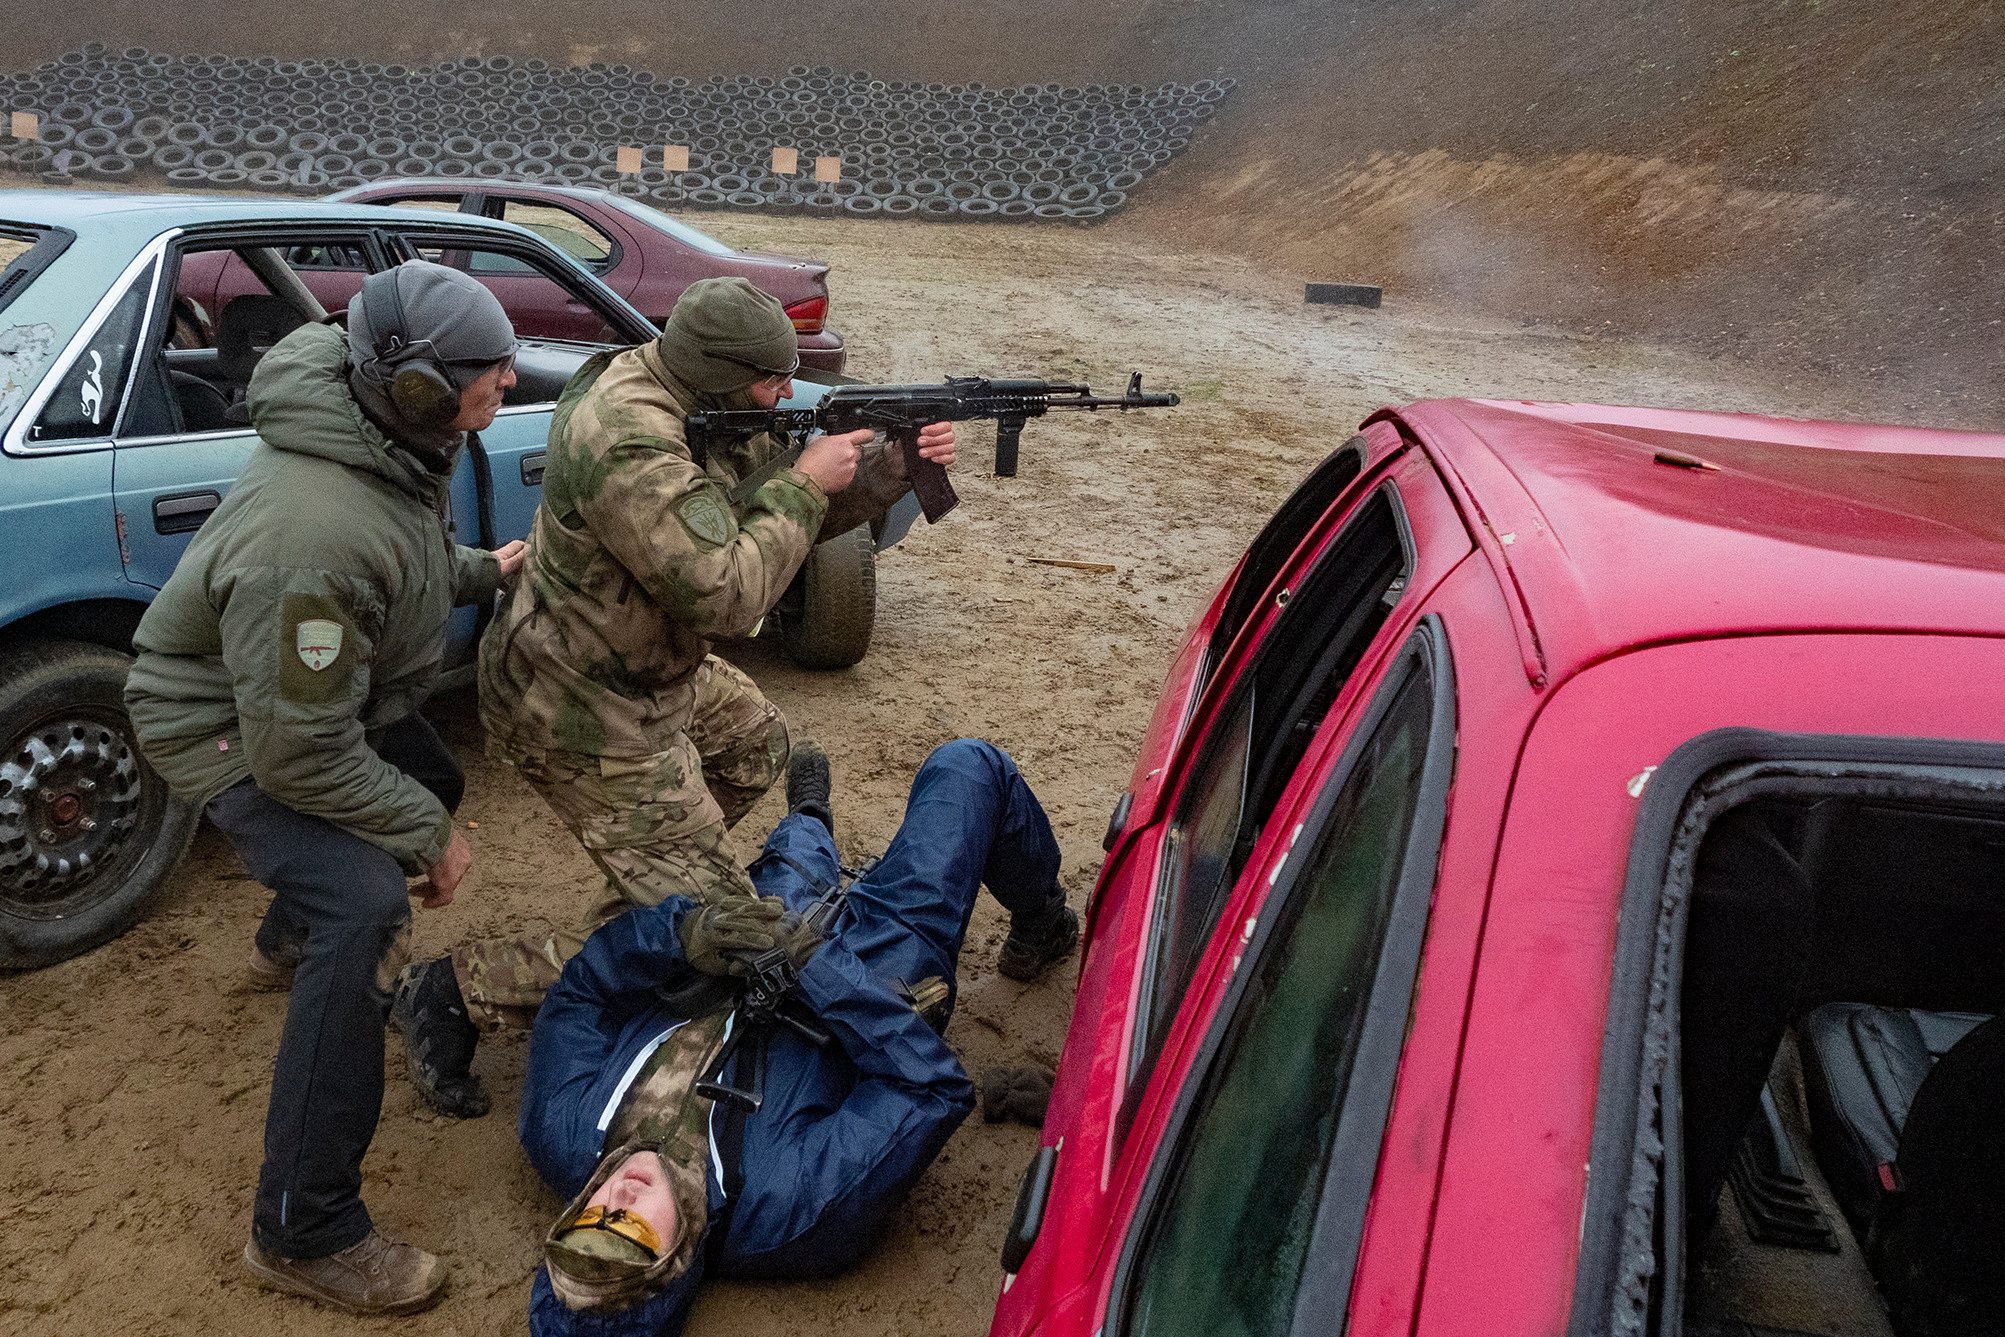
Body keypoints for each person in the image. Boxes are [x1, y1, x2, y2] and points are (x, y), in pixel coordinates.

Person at [393, 275, 1068, 1119]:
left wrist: (885, 471)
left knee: (755, 744)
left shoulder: (702, 400)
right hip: (578, 702)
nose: (784, 395)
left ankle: (651, 898)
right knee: (714, 939)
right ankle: (458, 987)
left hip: (650, 667)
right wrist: (806, 482)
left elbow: (755, 516)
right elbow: (728, 592)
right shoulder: (628, 437)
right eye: (771, 381)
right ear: (718, 372)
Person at [123, 259, 527, 1315]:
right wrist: (428, 834)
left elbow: (402, 544)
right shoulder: (316, 539)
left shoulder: (376, 425)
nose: (510, 382)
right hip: (222, 724)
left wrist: (481, 569)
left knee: (427, 768)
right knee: (366, 900)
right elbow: (298, 753)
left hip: (302, 703)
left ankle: (285, 938)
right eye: (490, 371)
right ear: (420, 389)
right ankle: (302, 1227)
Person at [517, 738, 1074, 1335]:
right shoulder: (795, 1208)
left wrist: (682, 936)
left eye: (586, 1227)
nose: (617, 1202)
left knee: (791, 859)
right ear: (678, 1263)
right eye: (630, 1235)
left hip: (752, 932)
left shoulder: (558, 1128)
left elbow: (580, 995)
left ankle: (809, 818)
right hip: (879, 964)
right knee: (968, 767)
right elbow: (929, 1091)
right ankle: (1044, 918)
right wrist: (817, 967)